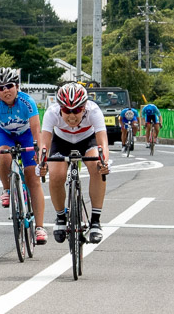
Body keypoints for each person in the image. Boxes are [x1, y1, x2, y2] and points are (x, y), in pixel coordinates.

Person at [39, 83, 110, 244]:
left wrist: (104, 161)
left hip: (87, 139)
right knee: (56, 175)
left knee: (97, 167)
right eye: (67, 110)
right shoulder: (52, 112)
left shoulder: (94, 110)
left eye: (77, 110)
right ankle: (60, 217)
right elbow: (44, 144)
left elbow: (102, 142)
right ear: (60, 108)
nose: (72, 116)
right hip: (61, 141)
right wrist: (41, 164)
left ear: (84, 107)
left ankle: (96, 221)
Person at [0, 67, 47, 244]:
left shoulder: (27, 102)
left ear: (17, 86)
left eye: (9, 86)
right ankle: (6, 189)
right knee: (4, 156)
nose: (5, 91)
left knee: (32, 178)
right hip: (6, 135)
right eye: (0, 88)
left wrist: (38, 151)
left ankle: (40, 227)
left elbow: (36, 129)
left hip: (26, 136)